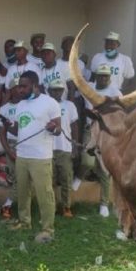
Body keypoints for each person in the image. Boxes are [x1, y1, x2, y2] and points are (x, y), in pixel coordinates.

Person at [6, 70, 61, 244]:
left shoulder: (50, 103)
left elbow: (58, 130)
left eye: (24, 86)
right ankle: (24, 222)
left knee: (45, 194)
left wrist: (53, 128)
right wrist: (7, 125)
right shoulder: (21, 105)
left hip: (41, 157)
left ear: (35, 86)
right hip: (22, 155)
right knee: (23, 192)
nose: (20, 90)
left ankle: (48, 229)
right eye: (19, 87)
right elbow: (18, 129)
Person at [74, 64, 122, 217]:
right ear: (96, 76)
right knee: (87, 161)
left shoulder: (115, 92)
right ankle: (79, 177)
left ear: (110, 77)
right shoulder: (88, 87)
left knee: (104, 170)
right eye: (101, 75)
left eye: (106, 76)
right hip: (90, 130)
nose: (103, 78)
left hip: (106, 133)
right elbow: (75, 92)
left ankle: (104, 204)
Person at [48, 79, 79, 218]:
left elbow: (74, 126)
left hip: (65, 148)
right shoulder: (45, 106)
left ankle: (66, 207)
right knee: (51, 180)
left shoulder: (69, 105)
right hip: (48, 149)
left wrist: (75, 146)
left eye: (59, 90)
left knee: (66, 179)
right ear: (49, 91)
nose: (57, 92)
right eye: (54, 90)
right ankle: (52, 207)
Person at [0, 77, 21, 219]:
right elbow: (2, 133)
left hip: (28, 145)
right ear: (11, 90)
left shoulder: (28, 105)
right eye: (17, 87)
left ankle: (9, 205)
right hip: (11, 145)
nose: (20, 90)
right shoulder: (4, 109)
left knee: (22, 178)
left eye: (21, 87)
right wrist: (9, 151)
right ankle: (7, 205)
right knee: (17, 177)